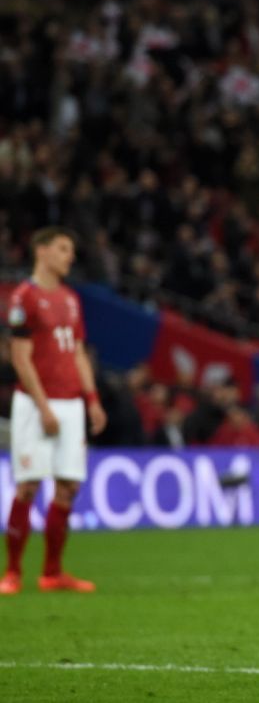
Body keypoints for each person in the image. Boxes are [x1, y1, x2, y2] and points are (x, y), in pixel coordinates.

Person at [2, 227, 107, 595]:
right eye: (64, 249)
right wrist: (43, 405)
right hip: (35, 404)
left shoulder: (71, 299)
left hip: (70, 403)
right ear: (42, 251)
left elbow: (77, 353)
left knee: (68, 487)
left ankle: (52, 572)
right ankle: (12, 572)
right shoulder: (24, 297)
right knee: (28, 485)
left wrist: (91, 399)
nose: (70, 256)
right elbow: (20, 356)